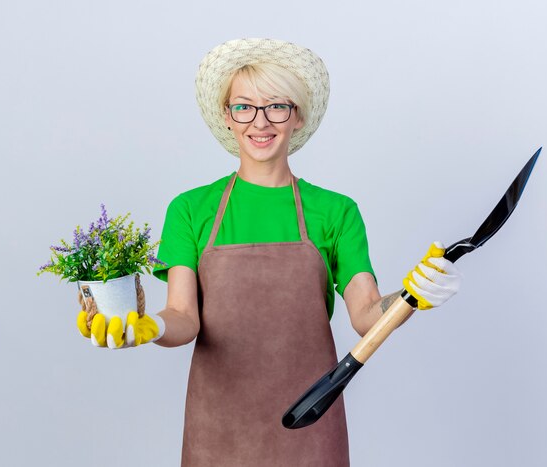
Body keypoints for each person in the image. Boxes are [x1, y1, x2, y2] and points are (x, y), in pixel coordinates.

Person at [76, 38, 462, 466]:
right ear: (227, 117)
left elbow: (368, 315)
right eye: (244, 107)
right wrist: (146, 328)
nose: (260, 122)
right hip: (217, 425)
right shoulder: (190, 209)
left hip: (311, 418)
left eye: (277, 106)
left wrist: (412, 294)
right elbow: (184, 318)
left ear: (297, 116)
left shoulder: (335, 211)